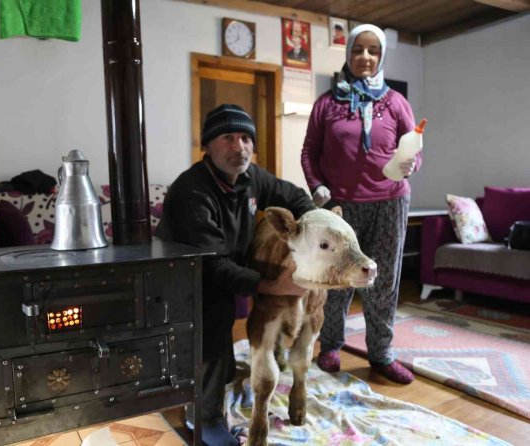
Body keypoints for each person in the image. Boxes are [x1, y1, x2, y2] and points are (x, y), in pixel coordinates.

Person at [156, 104, 316, 445]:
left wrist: (317, 227)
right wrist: (272, 284)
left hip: (222, 272)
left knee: (223, 326)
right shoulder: (192, 191)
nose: (239, 147)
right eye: (228, 138)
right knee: (212, 328)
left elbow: (296, 197)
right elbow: (212, 265)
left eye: (245, 138)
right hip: (182, 279)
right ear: (208, 146)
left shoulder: (252, 178)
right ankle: (204, 417)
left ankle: (216, 387)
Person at [301, 24, 421, 385]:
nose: (365, 57)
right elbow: (309, 152)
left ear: (381, 56)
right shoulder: (326, 103)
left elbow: (414, 151)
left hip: (390, 202)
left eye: (372, 50)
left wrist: (411, 162)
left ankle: (381, 354)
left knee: (384, 281)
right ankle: (330, 346)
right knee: (338, 280)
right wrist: (317, 186)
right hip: (341, 206)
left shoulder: (397, 103)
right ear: (348, 54)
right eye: (358, 50)